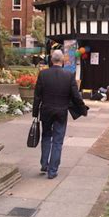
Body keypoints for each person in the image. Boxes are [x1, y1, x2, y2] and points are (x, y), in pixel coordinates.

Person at [32, 50, 87, 179]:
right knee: (57, 141)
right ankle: (52, 171)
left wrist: (35, 112)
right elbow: (76, 96)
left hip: (46, 111)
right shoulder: (69, 75)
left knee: (46, 137)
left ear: (51, 60)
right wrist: (83, 109)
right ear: (62, 61)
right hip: (61, 112)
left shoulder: (43, 74)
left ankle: (44, 164)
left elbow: (37, 96)